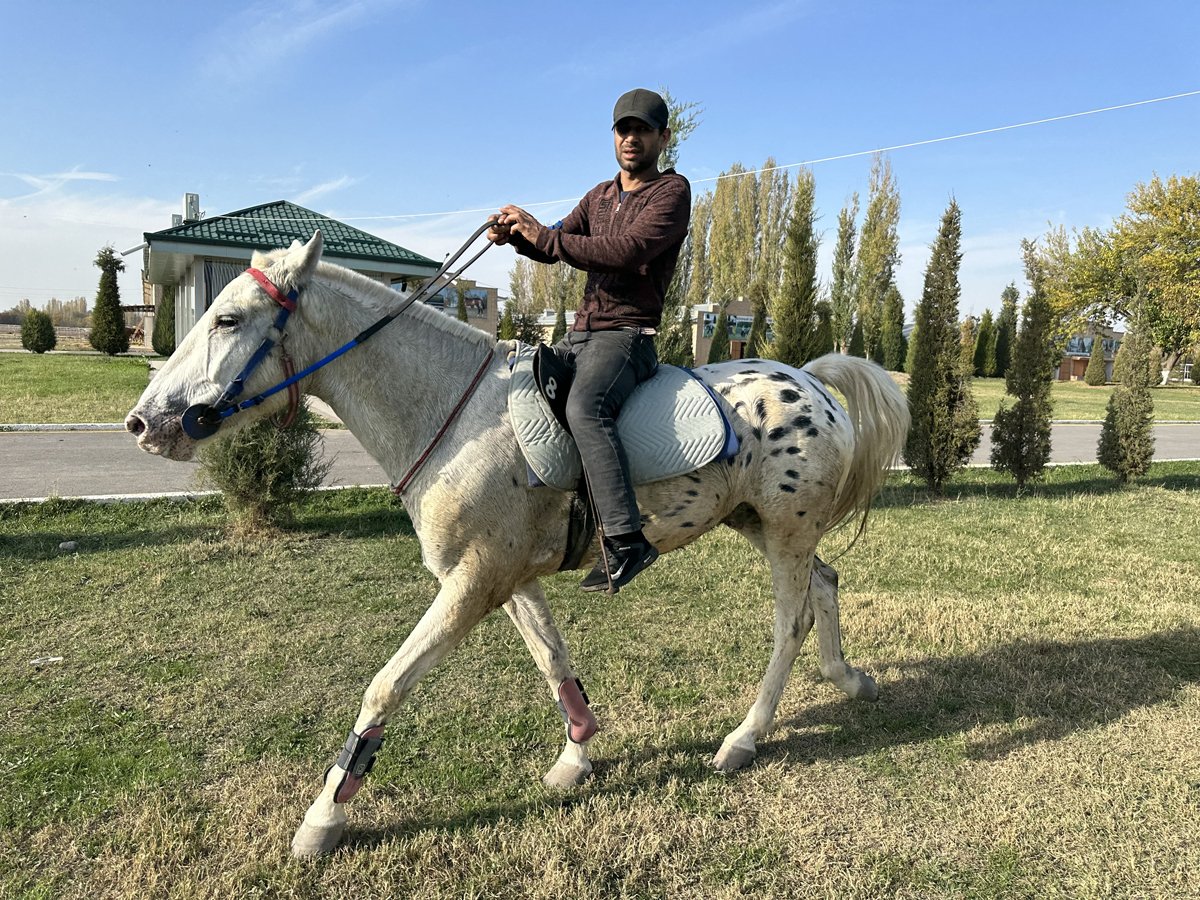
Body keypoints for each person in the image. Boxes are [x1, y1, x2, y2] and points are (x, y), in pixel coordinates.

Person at [488, 88, 692, 593]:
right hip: (579, 334)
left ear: (663, 137)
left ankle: (626, 539)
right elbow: (555, 242)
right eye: (623, 129)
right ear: (613, 136)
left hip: (627, 336)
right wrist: (517, 235)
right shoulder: (599, 195)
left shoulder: (671, 192)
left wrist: (545, 236)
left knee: (585, 408)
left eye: (642, 129)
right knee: (514, 389)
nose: (631, 138)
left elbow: (627, 250)